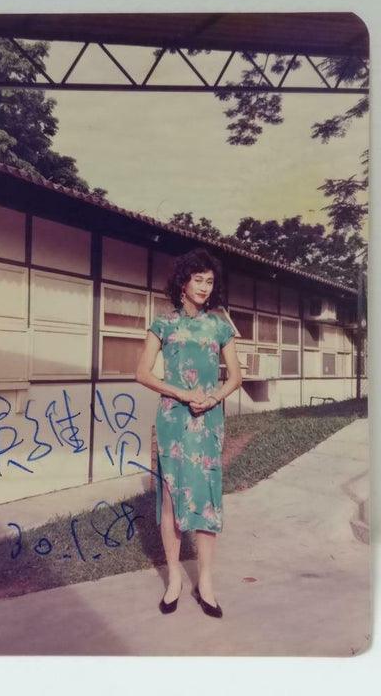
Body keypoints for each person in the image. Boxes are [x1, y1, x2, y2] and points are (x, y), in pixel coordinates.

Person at [136, 248, 242, 618]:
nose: (204, 286)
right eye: (197, 279)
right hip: (173, 419)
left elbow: (237, 376)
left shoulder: (219, 326)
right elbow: (143, 373)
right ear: (183, 281)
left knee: (207, 498)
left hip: (208, 420)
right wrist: (182, 393)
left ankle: (207, 582)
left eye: (210, 280)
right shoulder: (163, 324)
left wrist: (212, 398)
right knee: (171, 498)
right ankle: (175, 580)